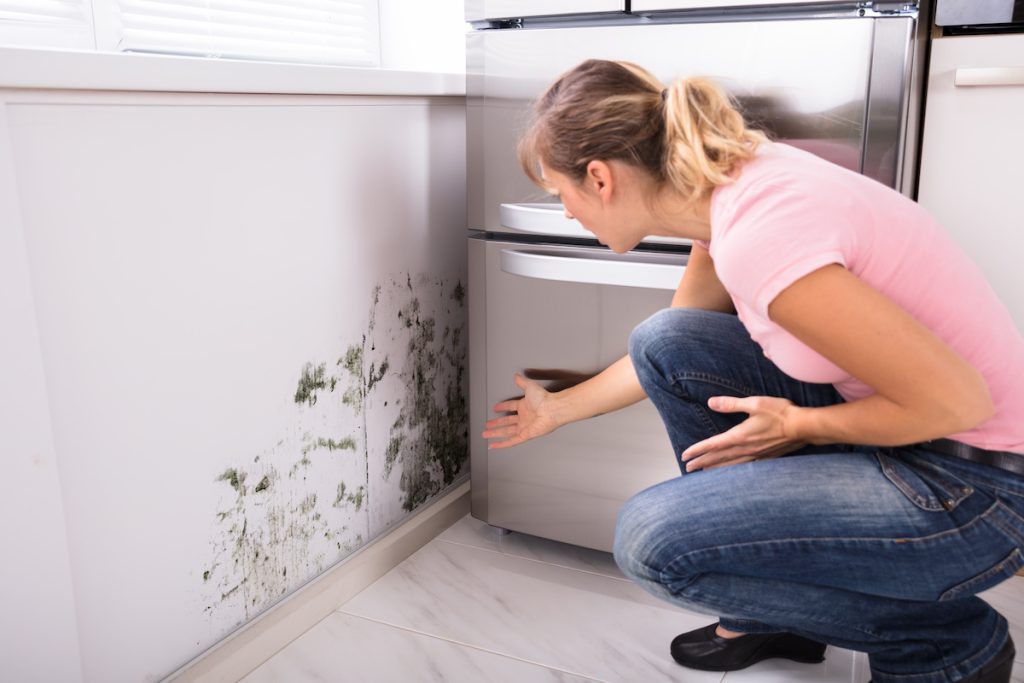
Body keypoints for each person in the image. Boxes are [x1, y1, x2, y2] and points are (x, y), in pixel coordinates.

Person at [482, 59, 1024, 683]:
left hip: (976, 489)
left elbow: (959, 402)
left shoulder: (761, 238)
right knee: (668, 340)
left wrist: (801, 423)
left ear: (600, 178)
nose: (569, 215)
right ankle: (773, 614)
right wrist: (558, 408)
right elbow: (667, 353)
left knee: (652, 544)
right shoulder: (725, 190)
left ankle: (944, 642)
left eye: (561, 194)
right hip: (920, 435)